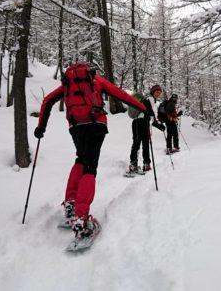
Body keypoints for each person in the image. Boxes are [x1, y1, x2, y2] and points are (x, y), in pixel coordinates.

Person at [34, 62, 146, 238]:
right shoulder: (95, 79)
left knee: (81, 159)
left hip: (76, 126)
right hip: (96, 125)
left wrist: (41, 126)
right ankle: (81, 218)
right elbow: (120, 94)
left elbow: (47, 101)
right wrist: (143, 108)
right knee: (90, 167)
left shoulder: (67, 83)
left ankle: (71, 204)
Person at [126, 85, 165, 177]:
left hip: (141, 123)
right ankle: (139, 164)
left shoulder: (152, 101)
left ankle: (140, 164)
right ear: (152, 92)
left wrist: (159, 125)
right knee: (139, 143)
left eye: (159, 93)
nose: (158, 94)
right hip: (140, 123)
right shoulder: (150, 99)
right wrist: (159, 125)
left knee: (143, 144)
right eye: (157, 92)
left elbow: (151, 116)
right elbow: (152, 115)